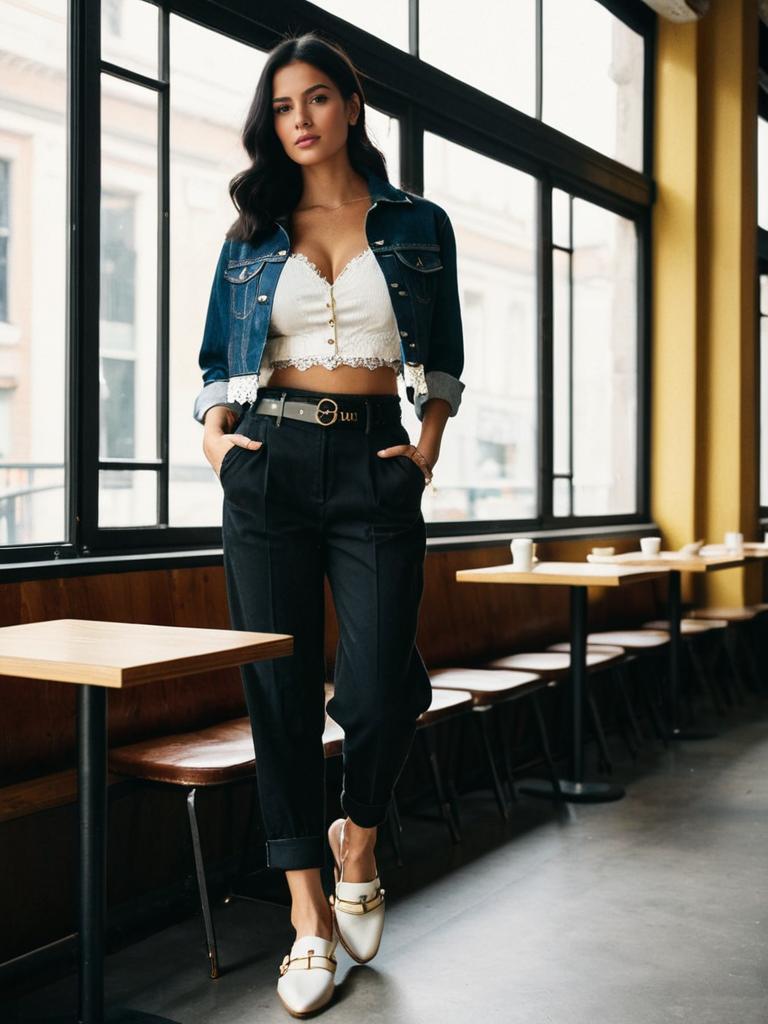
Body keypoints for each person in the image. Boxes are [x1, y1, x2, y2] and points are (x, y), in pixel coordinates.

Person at [193, 30, 464, 1018]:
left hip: (374, 461)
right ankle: (307, 916)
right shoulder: (251, 233)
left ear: (351, 105)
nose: (299, 119)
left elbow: (445, 354)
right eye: (281, 105)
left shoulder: (419, 223)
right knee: (277, 691)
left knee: (383, 682)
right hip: (267, 462)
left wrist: (426, 445)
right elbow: (214, 362)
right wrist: (217, 442)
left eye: (315, 97)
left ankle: (359, 835)